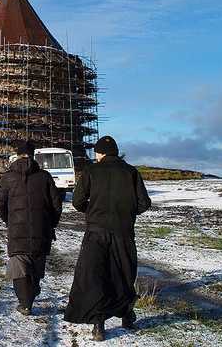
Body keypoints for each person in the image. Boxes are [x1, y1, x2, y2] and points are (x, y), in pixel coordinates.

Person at [64, 136, 152, 341]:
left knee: (96, 276)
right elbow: (144, 203)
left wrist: (92, 211)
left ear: (100, 152)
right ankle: (127, 315)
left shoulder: (91, 171)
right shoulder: (131, 172)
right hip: (123, 232)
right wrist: (126, 214)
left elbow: (77, 202)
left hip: (96, 232)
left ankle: (98, 325)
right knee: (123, 274)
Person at [0, 140, 63, 316]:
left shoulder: (8, 177)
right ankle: (33, 292)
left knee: (19, 266)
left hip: (17, 230)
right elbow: (57, 205)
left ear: (17, 155)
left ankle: (25, 303)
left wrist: (9, 221)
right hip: (41, 230)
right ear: (33, 156)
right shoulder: (45, 177)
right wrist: (51, 223)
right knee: (37, 264)